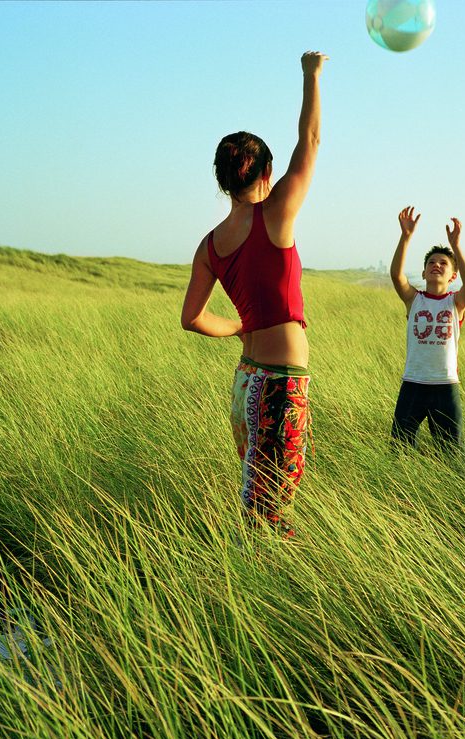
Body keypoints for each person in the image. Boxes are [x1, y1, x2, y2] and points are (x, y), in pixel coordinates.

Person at [181, 51, 328, 538]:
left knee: (258, 494)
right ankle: (261, 589)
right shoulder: (276, 214)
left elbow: (193, 318)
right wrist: (311, 76)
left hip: (246, 381)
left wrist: (239, 326)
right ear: (266, 173)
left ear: (224, 180)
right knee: (269, 513)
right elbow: (309, 141)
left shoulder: (210, 244)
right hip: (280, 384)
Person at [388, 206, 465, 451]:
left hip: (445, 385)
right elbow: (396, 275)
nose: (437, 265)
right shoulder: (413, 299)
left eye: (443, 263)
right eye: (431, 263)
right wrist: (405, 238)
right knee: (399, 448)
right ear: (424, 272)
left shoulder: (455, 303)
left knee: (451, 452)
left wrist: (456, 246)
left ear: (452, 275)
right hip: (413, 383)